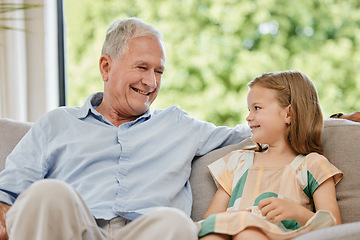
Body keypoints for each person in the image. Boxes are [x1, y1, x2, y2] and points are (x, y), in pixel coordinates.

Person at [0, 18, 251, 240]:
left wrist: (284, 108)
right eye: (142, 67)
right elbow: (8, 189)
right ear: (106, 67)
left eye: (159, 71)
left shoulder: (179, 125)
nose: (151, 82)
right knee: (47, 193)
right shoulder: (56, 123)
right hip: (75, 230)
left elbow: (250, 134)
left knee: (176, 224)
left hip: (147, 233)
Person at [197, 71, 343, 240]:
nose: (248, 117)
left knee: (248, 233)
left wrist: (296, 212)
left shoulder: (312, 164)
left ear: (288, 114)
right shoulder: (238, 161)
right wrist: (238, 219)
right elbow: (210, 220)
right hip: (231, 233)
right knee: (213, 235)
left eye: (257, 108)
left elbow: (335, 228)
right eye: (249, 109)